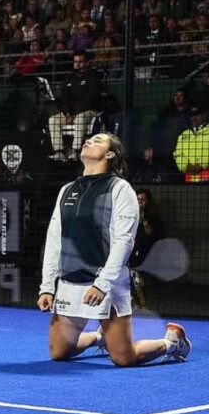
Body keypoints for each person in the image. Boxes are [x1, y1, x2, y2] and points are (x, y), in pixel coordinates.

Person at [38, 133, 192, 366]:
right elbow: (54, 240)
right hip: (70, 282)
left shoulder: (120, 189)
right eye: (89, 140)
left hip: (104, 283)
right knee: (59, 352)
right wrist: (48, 287)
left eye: (98, 141)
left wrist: (102, 283)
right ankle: (100, 338)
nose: (89, 141)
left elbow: (124, 241)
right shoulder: (67, 189)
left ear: (110, 154)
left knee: (123, 358)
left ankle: (172, 342)